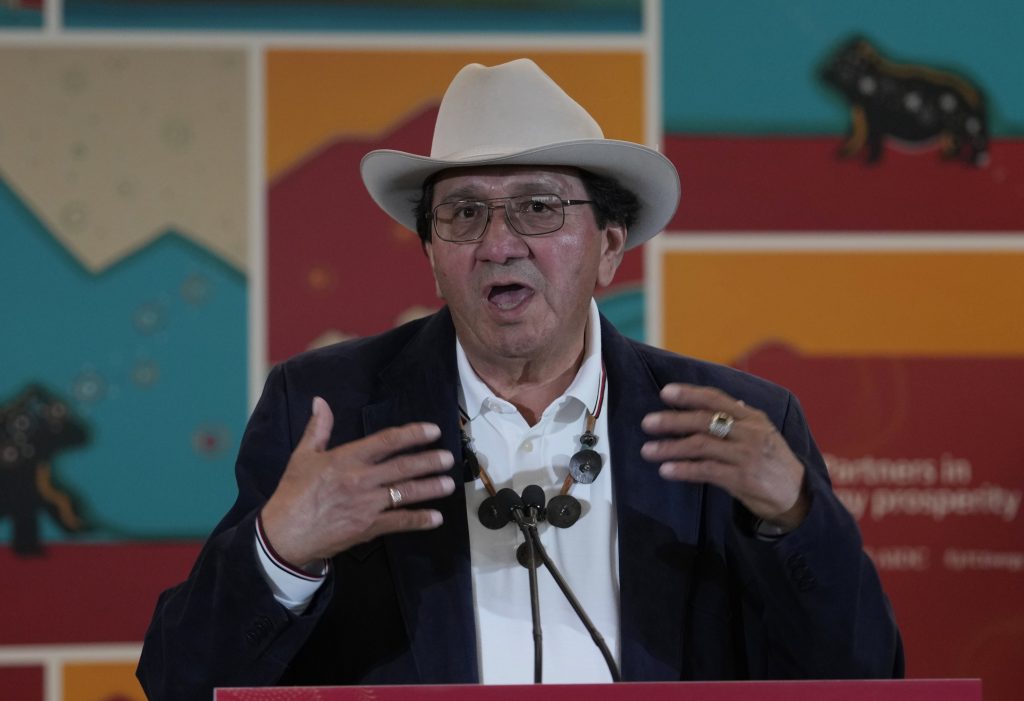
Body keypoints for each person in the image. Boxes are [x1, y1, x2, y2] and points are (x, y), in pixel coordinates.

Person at [137, 59, 902, 698]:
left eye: (538, 207)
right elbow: (177, 680)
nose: (499, 243)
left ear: (608, 247)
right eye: (464, 214)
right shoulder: (328, 410)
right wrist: (281, 552)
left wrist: (796, 517)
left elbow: (868, 672)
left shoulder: (735, 421)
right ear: (433, 256)